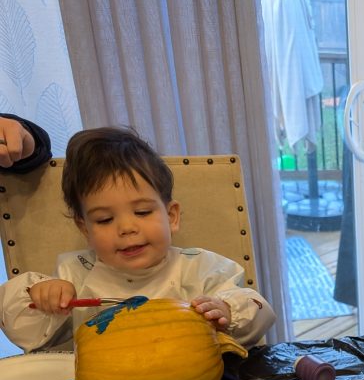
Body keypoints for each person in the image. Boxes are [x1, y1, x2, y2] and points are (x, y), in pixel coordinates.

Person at [0, 126, 275, 352]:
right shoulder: (74, 275)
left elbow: (259, 310)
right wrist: (39, 296)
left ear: (171, 216)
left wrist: (227, 310)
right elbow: (20, 327)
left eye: (142, 212)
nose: (126, 228)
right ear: (85, 229)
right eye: (104, 220)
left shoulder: (201, 268)